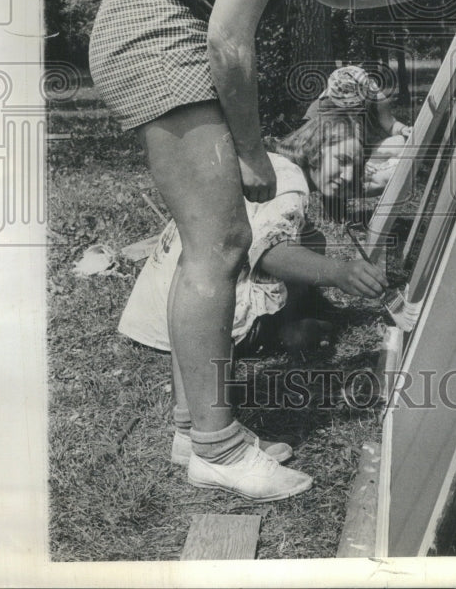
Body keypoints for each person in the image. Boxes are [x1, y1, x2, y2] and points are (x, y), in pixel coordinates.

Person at [89, 0, 456, 501]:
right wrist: (246, 152)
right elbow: (228, 38)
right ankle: (215, 447)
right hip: (155, 31)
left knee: (216, 240)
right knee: (223, 241)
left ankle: (193, 428)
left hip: (171, 28)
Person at [118, 110, 387, 470]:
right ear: (315, 147)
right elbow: (268, 251)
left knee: (311, 239)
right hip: (194, 317)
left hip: (159, 311)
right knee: (303, 250)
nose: (349, 174)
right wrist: (339, 273)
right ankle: (218, 429)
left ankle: (188, 427)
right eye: (342, 160)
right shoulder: (289, 183)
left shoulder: (273, 166)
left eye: (356, 166)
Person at [304, 64, 412, 196]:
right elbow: (311, 150)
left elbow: (390, 124)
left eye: (356, 104)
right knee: (379, 179)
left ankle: (358, 182)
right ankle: (336, 195)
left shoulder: (376, 97)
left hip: (364, 151)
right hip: (336, 160)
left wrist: (403, 129)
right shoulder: (319, 109)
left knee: (403, 141)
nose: (353, 109)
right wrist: (355, 166)